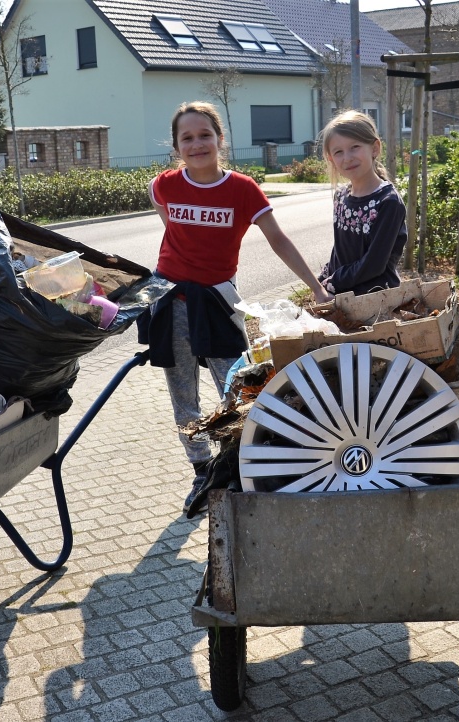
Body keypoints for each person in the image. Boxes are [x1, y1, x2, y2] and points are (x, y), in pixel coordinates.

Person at [145, 100, 331, 513]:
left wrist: (316, 289)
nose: (197, 144)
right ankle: (199, 471)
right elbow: (168, 221)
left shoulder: (243, 190)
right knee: (182, 394)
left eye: (204, 135)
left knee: (238, 387)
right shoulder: (165, 185)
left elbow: (278, 240)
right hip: (171, 301)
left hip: (217, 300)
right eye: (187, 138)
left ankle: (241, 463)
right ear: (177, 146)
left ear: (220, 139)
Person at [318, 110, 408, 296]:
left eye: (355, 147)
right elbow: (340, 251)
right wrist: (322, 279)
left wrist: (333, 282)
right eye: (338, 152)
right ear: (331, 159)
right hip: (344, 297)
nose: (347, 158)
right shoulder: (341, 196)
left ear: (375, 148)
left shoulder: (388, 202)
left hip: (377, 301)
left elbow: (374, 265)